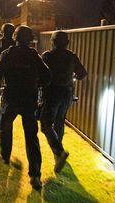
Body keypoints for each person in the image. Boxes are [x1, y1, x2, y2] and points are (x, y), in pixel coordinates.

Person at [0, 25, 51, 189]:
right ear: (30, 39)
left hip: (11, 98)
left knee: (5, 128)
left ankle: (6, 156)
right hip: (29, 99)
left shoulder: (7, 54)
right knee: (32, 137)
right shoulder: (33, 55)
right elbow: (47, 75)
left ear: (15, 37)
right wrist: (37, 86)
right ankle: (35, 175)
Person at [40, 31, 87, 172]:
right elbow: (83, 74)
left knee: (46, 124)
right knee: (60, 122)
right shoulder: (71, 56)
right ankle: (58, 154)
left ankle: (59, 152)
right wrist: (72, 77)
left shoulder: (47, 56)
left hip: (52, 94)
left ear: (53, 42)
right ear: (67, 42)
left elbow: (41, 76)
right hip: (67, 94)